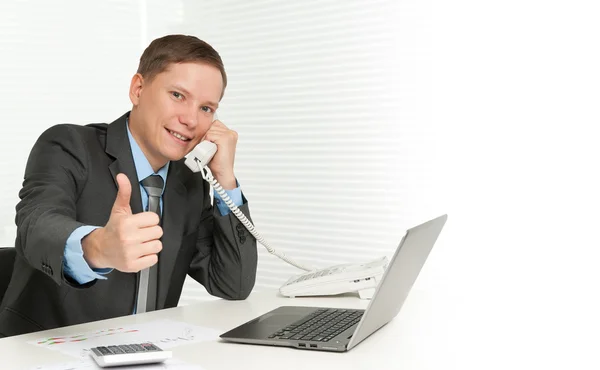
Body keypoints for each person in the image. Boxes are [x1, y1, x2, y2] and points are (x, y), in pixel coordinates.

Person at [0, 34, 258, 337]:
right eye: (177, 95)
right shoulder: (69, 146)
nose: (191, 119)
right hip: (46, 351)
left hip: (145, 354)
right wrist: (97, 247)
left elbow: (233, 284)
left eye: (206, 108)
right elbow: (35, 225)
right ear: (138, 89)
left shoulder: (189, 183)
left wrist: (225, 180)